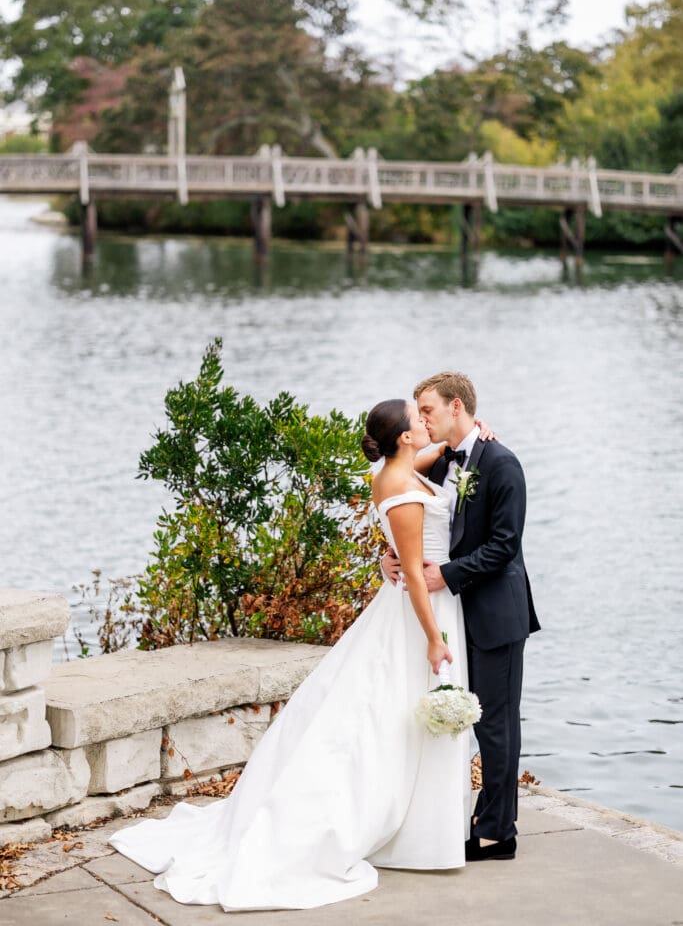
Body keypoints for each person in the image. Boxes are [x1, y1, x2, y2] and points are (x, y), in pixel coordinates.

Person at [109, 399, 492, 912]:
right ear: (403, 437)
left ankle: (421, 826)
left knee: (396, 716)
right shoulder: (400, 487)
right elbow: (415, 579)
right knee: (392, 716)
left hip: (421, 603)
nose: (426, 422)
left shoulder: (397, 472)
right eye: (417, 418)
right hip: (420, 612)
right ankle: (401, 830)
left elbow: (423, 480)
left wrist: (461, 436)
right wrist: (431, 636)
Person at [383, 372, 540, 861]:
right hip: (457, 614)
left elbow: (503, 547)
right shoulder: (446, 459)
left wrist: (442, 576)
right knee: (475, 723)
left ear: (456, 407)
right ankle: (477, 816)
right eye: (418, 413)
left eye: (427, 409)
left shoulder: (502, 464)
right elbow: (411, 515)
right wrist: (391, 559)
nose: (422, 418)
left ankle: (498, 832)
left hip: (495, 613)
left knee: (497, 724)